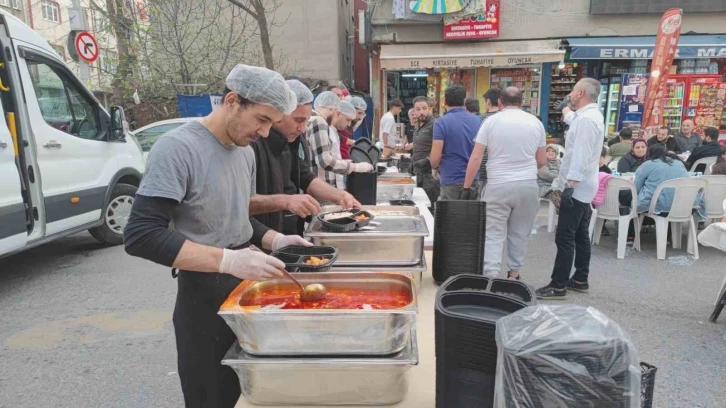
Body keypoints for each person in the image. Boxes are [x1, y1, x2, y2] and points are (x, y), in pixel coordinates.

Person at [123, 65, 312, 407]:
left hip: (246, 287)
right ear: (232, 100)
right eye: (261, 119)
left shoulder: (243, 151)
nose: (265, 131)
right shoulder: (177, 148)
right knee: (211, 395)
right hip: (203, 298)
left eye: (271, 122)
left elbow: (233, 216)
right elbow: (141, 234)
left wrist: (274, 240)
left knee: (254, 392)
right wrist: (228, 259)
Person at [251, 80, 361, 236]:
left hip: (289, 231)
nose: (302, 129)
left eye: (306, 121)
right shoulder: (253, 144)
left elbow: (305, 176)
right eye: (298, 120)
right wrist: (286, 202)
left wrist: (339, 196)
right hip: (262, 235)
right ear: (278, 113)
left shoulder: (292, 140)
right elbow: (242, 203)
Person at [463, 87, 547, 280]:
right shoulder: (536, 123)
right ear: (522, 102)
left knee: (492, 233)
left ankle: (490, 276)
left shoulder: (491, 122)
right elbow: (541, 160)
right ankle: (514, 274)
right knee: (520, 233)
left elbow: (476, 157)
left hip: (498, 184)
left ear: (500, 102)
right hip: (527, 184)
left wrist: (466, 186)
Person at [536, 78, 604, 300]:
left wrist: (569, 186)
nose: (571, 94)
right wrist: (566, 108)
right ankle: (580, 278)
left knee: (565, 236)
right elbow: (572, 118)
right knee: (581, 234)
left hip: (577, 186)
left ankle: (558, 285)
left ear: (581, 92)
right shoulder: (589, 116)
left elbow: (580, 156)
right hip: (586, 186)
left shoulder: (586, 120)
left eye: (573, 91)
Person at [306, 92, 373, 189]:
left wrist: (349, 162)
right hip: (323, 188)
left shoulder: (317, 122)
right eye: (348, 120)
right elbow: (325, 161)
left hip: (322, 187)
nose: (349, 125)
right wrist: (355, 167)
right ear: (337, 112)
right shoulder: (319, 121)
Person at [431, 85, 482, 200]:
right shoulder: (477, 121)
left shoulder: (441, 122)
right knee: (470, 217)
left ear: (444, 102)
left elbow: (434, 160)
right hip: (473, 180)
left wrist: (435, 168)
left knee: (450, 217)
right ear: (464, 101)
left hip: (450, 180)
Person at [634, 144, 689, 213]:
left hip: (657, 206)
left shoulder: (648, 164)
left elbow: (636, 188)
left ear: (649, 153)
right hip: (682, 205)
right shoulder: (678, 163)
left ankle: (630, 221)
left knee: (626, 196)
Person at [409, 95, 440, 204]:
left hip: (430, 175)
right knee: (420, 205)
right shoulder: (418, 125)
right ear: (414, 111)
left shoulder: (435, 124)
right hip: (419, 174)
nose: (421, 112)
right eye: (418, 109)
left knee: (430, 207)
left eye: (424, 108)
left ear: (429, 109)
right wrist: (412, 161)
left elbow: (441, 147)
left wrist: (427, 160)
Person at [478, 88, 502, 185]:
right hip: (500, 168)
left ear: (488, 102)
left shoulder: (479, 119)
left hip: (482, 167)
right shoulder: (506, 118)